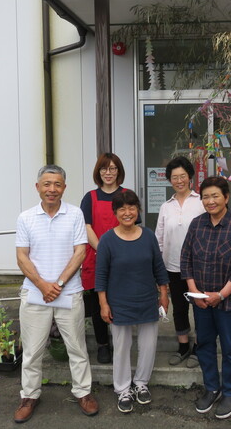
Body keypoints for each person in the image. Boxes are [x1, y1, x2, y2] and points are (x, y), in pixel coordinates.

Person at [14, 165, 99, 423]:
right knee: (31, 350)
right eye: (47, 183)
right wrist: (42, 285)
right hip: (34, 293)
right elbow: (21, 256)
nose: (52, 189)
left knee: (77, 348)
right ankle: (29, 395)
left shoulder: (74, 214)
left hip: (69, 292)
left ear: (64, 187)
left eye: (58, 184)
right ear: (37, 186)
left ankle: (83, 393)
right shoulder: (25, 218)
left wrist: (58, 284)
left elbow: (80, 252)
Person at [180, 176, 231, 420]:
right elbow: (186, 260)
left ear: (226, 198)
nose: (210, 201)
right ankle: (212, 387)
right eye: (206, 197)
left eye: (215, 196)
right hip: (201, 302)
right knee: (205, 346)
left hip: (229, 302)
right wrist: (195, 293)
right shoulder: (196, 224)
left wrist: (220, 295)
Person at [95, 189, 169, 414]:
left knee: (148, 345)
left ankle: (141, 383)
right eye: (122, 209)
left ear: (138, 210)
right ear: (115, 212)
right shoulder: (107, 240)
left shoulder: (147, 236)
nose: (127, 213)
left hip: (147, 299)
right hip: (119, 302)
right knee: (121, 347)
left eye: (132, 208)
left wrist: (164, 294)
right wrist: (103, 303)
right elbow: (101, 275)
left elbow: (158, 266)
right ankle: (123, 388)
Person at [80, 153, 135, 364]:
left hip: (123, 256)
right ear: (98, 172)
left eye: (113, 168)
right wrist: (104, 251)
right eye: (104, 169)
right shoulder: (90, 197)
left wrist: (118, 252)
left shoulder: (127, 194)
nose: (108, 173)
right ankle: (103, 345)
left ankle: (122, 344)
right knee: (97, 304)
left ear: (119, 171)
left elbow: (132, 224)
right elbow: (86, 227)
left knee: (120, 300)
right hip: (96, 257)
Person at [155, 156, 205, 367]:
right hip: (172, 267)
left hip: (199, 268)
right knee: (180, 308)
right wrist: (158, 268)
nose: (179, 180)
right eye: (174, 177)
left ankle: (199, 348)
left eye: (182, 176)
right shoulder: (166, 206)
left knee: (201, 308)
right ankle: (183, 346)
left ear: (190, 177)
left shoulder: (201, 201)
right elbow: (159, 237)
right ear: (169, 180)